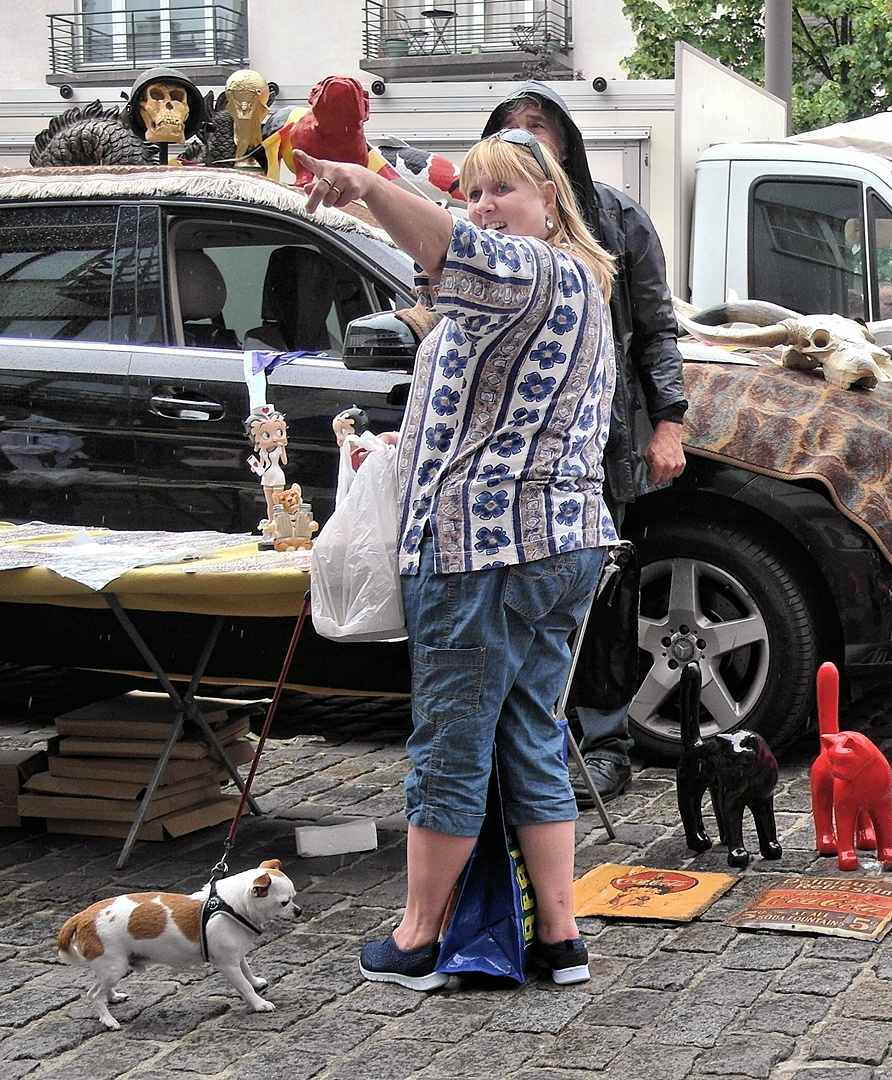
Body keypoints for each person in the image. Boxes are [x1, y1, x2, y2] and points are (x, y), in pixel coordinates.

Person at [292, 129, 619, 991]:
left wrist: (362, 182)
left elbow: (441, 244)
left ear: (551, 202)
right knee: (528, 737)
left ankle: (416, 939)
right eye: (473, 191)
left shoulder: (532, 268)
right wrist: (411, 445)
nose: (484, 207)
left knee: (449, 742)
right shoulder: (576, 281)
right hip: (555, 542)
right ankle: (559, 937)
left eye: (503, 190)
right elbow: (498, 406)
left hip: (484, 548)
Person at [484, 83, 687, 804]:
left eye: (537, 126)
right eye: (511, 129)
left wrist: (668, 422)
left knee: (599, 598)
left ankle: (604, 742)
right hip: (504, 456)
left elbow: (657, 330)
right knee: (508, 600)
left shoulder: (618, 219)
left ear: (563, 142)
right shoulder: (485, 229)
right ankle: (522, 747)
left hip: (596, 447)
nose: (525, 135)